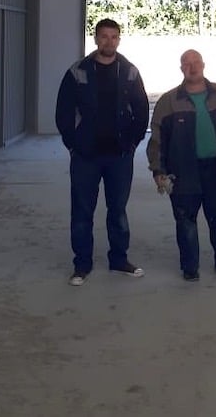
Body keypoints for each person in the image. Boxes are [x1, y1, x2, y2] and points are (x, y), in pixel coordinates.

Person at [55, 18, 150, 286]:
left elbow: (141, 109)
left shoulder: (129, 72)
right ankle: (81, 265)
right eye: (104, 36)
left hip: (119, 156)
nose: (109, 41)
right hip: (86, 156)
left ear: (119, 40)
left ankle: (119, 259)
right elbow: (63, 112)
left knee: (117, 210)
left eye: (114, 36)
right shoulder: (78, 72)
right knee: (82, 211)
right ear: (96, 39)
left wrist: (132, 144)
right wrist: (73, 145)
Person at [147, 49, 216, 281]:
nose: (192, 67)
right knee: (186, 221)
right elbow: (157, 139)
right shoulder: (168, 102)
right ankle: (190, 268)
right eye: (187, 63)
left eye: (196, 62)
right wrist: (158, 170)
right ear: (181, 69)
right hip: (183, 172)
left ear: (204, 65)